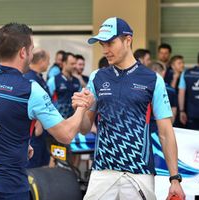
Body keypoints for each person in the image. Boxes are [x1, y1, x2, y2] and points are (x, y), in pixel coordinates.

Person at [0, 23, 94, 200]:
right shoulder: (30, 90)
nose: (32, 54)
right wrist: (82, 107)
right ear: (23, 53)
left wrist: (14, 144)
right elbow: (66, 135)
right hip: (8, 189)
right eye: (31, 50)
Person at [72, 17, 185, 200]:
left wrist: (175, 179)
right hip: (102, 171)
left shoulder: (153, 79)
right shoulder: (97, 77)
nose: (105, 50)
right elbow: (85, 128)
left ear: (128, 40)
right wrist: (80, 109)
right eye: (102, 44)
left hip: (139, 173)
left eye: (110, 43)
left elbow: (165, 132)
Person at [23, 48, 51, 168]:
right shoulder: (31, 78)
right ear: (41, 61)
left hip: (43, 132)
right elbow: (32, 102)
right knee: (33, 167)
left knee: (42, 163)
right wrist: (38, 124)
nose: (49, 64)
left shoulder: (38, 77)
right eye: (48, 60)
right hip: (35, 132)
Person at [47, 52, 81, 119]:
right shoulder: (53, 80)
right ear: (64, 64)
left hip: (73, 120)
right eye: (72, 64)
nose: (74, 66)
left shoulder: (77, 81)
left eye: (75, 64)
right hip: (58, 120)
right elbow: (46, 100)